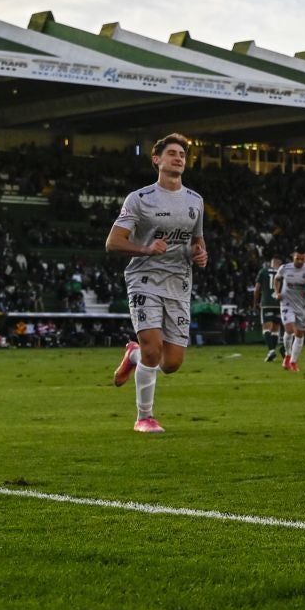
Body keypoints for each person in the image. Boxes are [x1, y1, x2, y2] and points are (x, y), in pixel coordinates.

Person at [105, 133, 208, 433]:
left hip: (179, 282)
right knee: (153, 349)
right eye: (172, 153)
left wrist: (200, 255)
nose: (179, 158)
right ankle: (144, 417)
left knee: (171, 363)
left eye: (182, 155)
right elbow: (113, 242)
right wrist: (146, 249)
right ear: (157, 159)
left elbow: (197, 242)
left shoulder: (195, 200)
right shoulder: (139, 198)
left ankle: (133, 354)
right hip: (144, 279)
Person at [275, 248, 305, 372]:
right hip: (287, 303)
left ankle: (293, 362)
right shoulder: (284, 268)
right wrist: (277, 292)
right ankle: (287, 355)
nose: (299, 261)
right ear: (293, 257)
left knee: (300, 334)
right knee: (289, 330)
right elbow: (277, 279)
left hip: (302, 305)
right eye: (297, 259)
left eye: (302, 259)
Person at [256, 255, 283, 362]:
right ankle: (273, 351)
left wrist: (255, 302)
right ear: (279, 263)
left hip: (266, 302)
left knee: (266, 328)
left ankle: (271, 351)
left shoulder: (263, 271)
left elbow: (257, 289)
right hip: (278, 303)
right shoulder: (282, 272)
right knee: (275, 329)